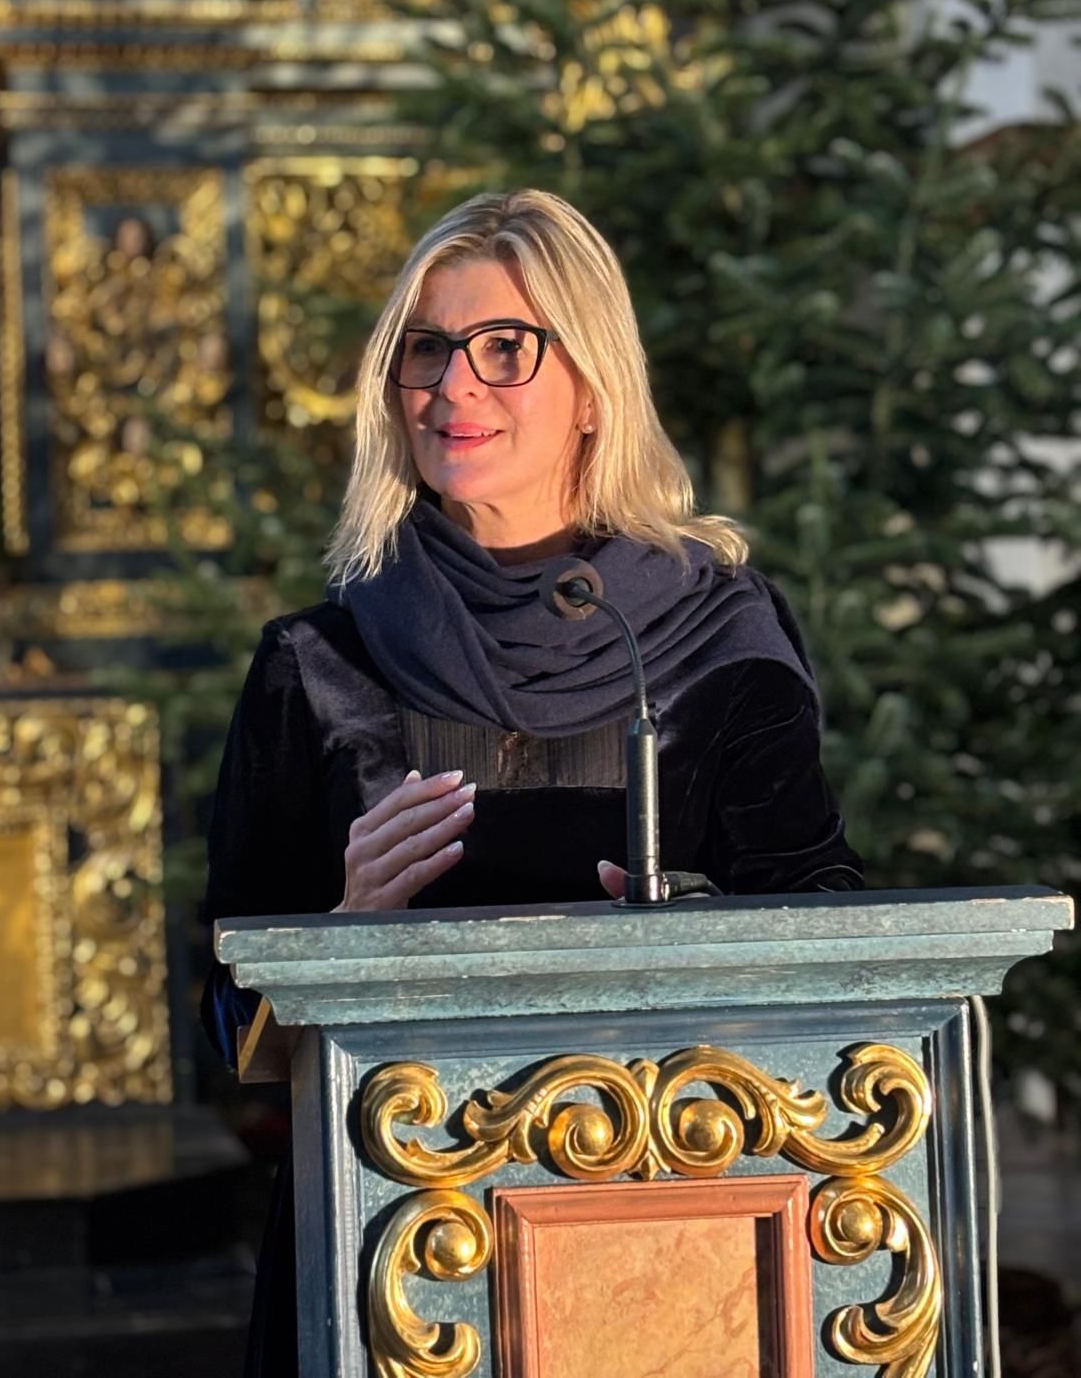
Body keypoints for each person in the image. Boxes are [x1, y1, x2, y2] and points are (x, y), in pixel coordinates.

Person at [199, 188, 863, 1372]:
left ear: (593, 385)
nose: (454, 386)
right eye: (426, 349)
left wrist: (695, 925)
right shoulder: (321, 665)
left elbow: (831, 935)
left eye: (505, 348)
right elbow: (218, 1017)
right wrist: (337, 936)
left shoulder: (720, 644)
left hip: (669, 1247)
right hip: (390, 1255)